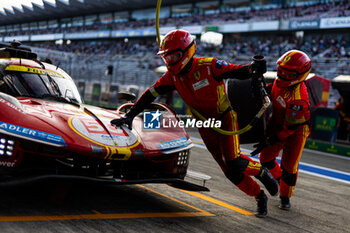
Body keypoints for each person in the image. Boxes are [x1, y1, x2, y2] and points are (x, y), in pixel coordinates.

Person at [111, 29, 278, 217]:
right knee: (229, 171)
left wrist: (253, 69)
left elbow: (238, 71)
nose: (170, 61)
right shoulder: (172, 77)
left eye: (174, 56)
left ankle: (262, 172)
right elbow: (150, 94)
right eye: (167, 57)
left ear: (188, 51)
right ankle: (259, 196)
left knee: (234, 161)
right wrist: (131, 115)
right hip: (205, 125)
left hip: (224, 118)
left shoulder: (209, 66)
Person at [251, 50, 311, 210]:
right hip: (279, 123)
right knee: (265, 158)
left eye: (287, 73)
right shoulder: (280, 81)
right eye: (281, 70)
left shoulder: (299, 99)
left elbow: (290, 128)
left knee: (289, 166)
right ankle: (279, 180)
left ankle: (285, 197)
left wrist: (273, 139)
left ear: (300, 74)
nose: (282, 74)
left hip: (297, 131)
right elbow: (271, 92)